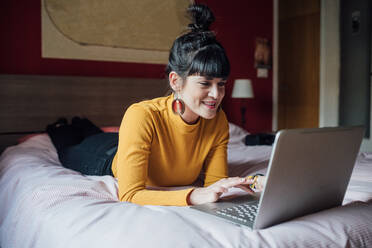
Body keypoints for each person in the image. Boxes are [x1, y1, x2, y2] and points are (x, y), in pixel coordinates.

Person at [47, 4, 259, 206]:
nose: (216, 94)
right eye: (205, 83)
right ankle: (66, 125)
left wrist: (247, 184)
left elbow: (215, 185)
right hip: (105, 157)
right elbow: (130, 194)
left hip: (127, 143)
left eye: (221, 84)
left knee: (94, 132)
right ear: (176, 81)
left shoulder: (218, 121)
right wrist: (193, 196)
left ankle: (83, 124)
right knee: (68, 143)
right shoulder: (142, 115)